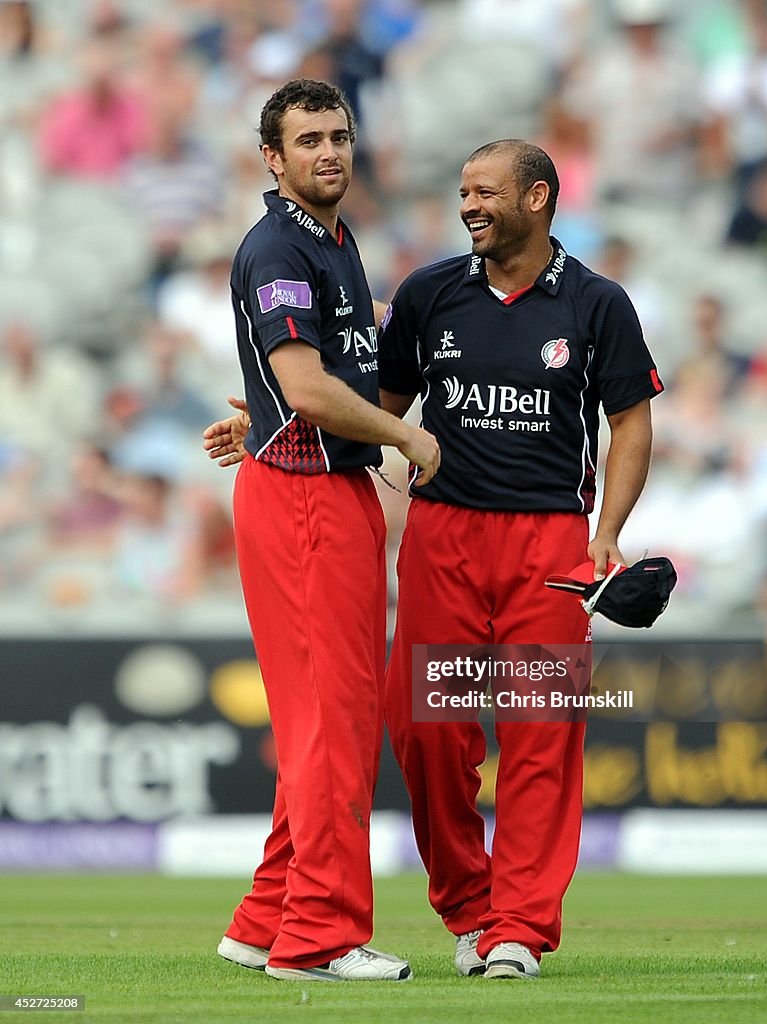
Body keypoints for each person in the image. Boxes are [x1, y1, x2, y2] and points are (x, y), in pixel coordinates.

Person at [207, 137, 662, 979]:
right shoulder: (429, 293)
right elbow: (369, 404)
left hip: (550, 544)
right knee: (423, 732)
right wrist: (272, 417)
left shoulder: (598, 304)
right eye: (462, 192)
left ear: (538, 199)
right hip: (443, 535)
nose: (468, 206)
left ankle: (519, 926)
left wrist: (607, 531)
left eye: (486, 192)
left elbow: (631, 422)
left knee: (541, 734)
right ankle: (469, 907)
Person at [205, 78, 439, 984]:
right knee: (332, 725)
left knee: (322, 718)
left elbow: (313, 378)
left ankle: (268, 917)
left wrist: (263, 415)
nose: (329, 152)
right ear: (274, 157)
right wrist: (407, 435)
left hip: (318, 485)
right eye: (308, 140)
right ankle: (321, 938)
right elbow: (306, 387)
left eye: (339, 135)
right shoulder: (278, 248)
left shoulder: (332, 240)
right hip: (304, 498)